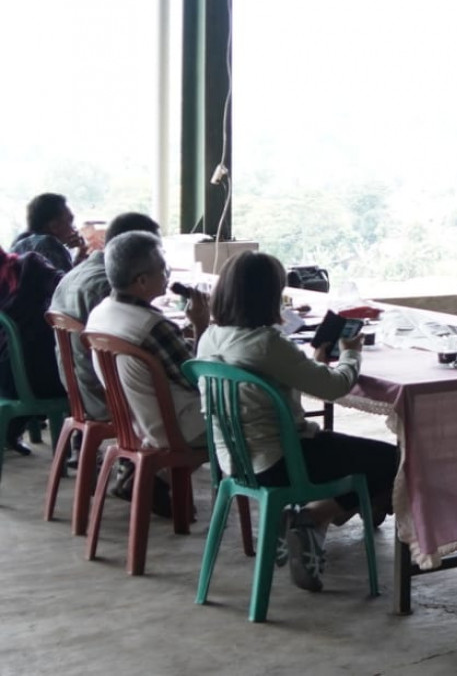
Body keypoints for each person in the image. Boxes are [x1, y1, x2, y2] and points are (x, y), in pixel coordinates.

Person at [197, 251, 397, 593]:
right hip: (282, 462)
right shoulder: (267, 343)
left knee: (352, 453)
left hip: (235, 461)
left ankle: (314, 520)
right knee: (393, 460)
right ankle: (313, 517)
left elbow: (287, 372)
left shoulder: (209, 338)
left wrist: (313, 362)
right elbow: (334, 387)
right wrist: (351, 352)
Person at [84, 231, 209, 452]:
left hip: (136, 425)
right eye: (163, 268)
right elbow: (199, 380)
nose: (167, 273)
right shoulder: (154, 327)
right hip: (179, 429)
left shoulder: (100, 312)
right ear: (142, 281)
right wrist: (201, 326)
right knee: (256, 411)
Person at [48, 212, 162, 422]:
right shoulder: (107, 288)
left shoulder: (75, 274)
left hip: (77, 390)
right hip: (105, 397)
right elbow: (142, 346)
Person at [0, 240, 64, 454]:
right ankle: (82, 447)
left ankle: (11, 428)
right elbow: (64, 287)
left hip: (8, 379)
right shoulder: (30, 265)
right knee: (88, 376)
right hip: (31, 380)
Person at [10, 193, 86, 275]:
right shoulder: (48, 244)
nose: (74, 229)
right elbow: (68, 282)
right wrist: (82, 253)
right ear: (54, 226)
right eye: (70, 221)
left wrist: (80, 253)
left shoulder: (19, 244)